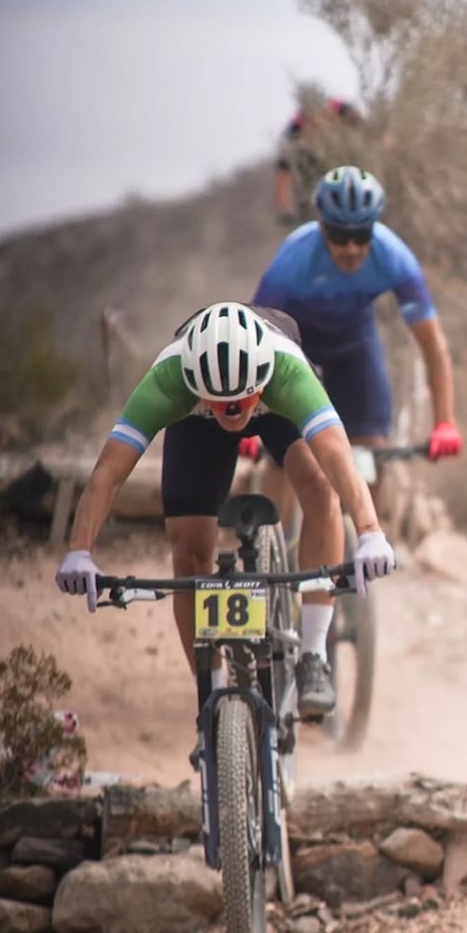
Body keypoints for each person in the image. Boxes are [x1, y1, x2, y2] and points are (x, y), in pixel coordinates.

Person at [55, 302, 396, 723]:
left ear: (263, 380)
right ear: (195, 387)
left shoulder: (288, 371)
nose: (233, 412)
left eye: (243, 400)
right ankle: (211, 696)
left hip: (278, 411)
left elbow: (338, 458)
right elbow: (107, 475)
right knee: (189, 553)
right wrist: (79, 550)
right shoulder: (168, 379)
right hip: (197, 429)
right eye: (220, 403)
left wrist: (370, 531)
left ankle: (312, 657)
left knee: (321, 488)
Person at [252, 165, 462, 482]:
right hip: (296, 352)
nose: (351, 247)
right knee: (285, 457)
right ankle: (273, 530)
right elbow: (254, 341)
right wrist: (249, 423)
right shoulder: (292, 261)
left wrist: (445, 421)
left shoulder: (394, 258)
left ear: (373, 228)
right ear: (322, 228)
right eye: (339, 235)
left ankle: (370, 530)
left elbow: (431, 342)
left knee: (371, 457)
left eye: (361, 234)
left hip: (353, 349)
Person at [273, 85, 362, 226]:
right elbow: (283, 173)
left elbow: (371, 133)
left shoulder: (341, 109)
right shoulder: (295, 129)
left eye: (322, 113)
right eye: (311, 117)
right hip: (312, 182)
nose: (318, 121)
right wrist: (284, 208)